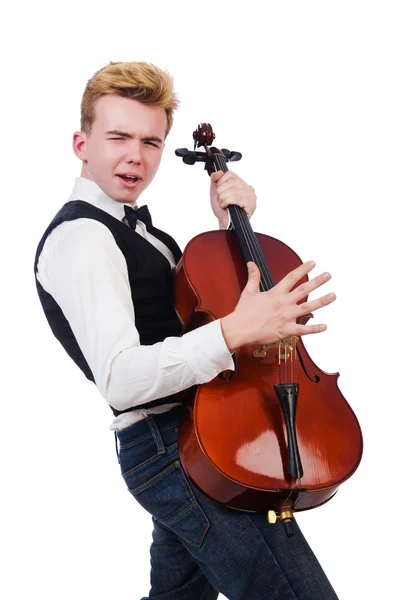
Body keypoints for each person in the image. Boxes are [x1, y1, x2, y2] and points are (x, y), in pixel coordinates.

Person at [34, 61, 338, 600]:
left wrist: (232, 231)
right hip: (173, 448)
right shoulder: (82, 238)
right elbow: (120, 379)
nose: (136, 155)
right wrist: (233, 332)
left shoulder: (145, 235)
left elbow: (188, 317)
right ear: (81, 143)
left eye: (151, 141)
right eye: (118, 137)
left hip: (202, 435)